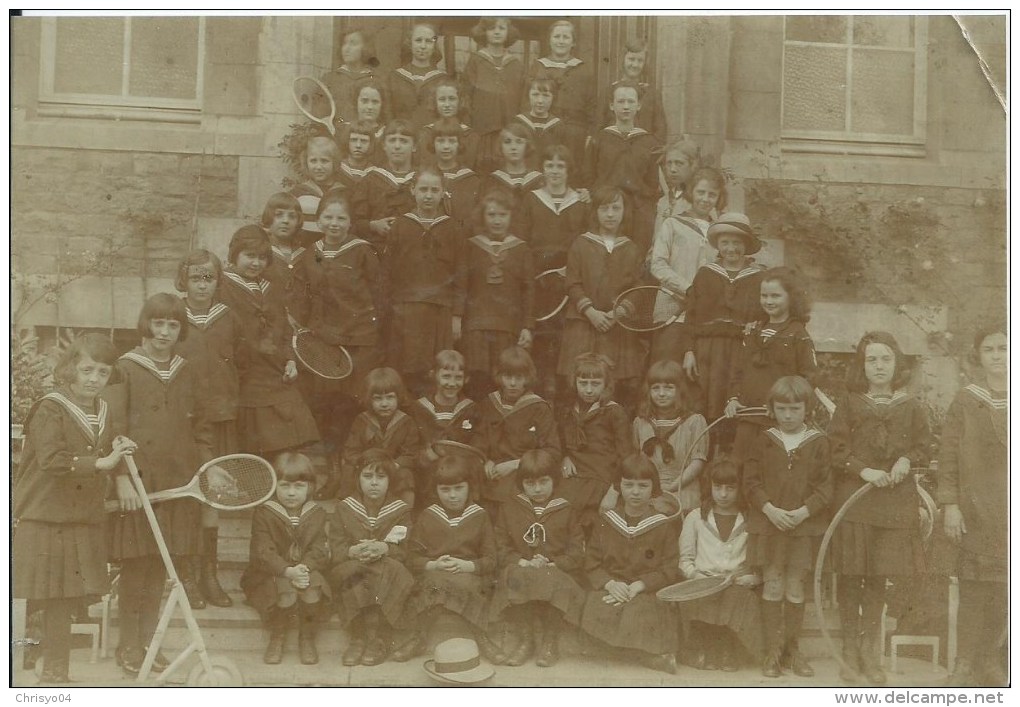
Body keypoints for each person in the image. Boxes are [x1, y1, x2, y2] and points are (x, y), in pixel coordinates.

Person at [13, 334, 137, 683]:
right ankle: (43, 670)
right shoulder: (50, 407)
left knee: (66, 600)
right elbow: (54, 461)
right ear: (69, 370)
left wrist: (119, 455)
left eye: (102, 371)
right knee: (49, 598)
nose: (93, 378)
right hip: (46, 516)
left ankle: (53, 673)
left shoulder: (103, 409)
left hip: (81, 518)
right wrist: (104, 463)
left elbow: (106, 446)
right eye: (86, 370)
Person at [107, 294, 214, 674]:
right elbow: (114, 427)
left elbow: (201, 427)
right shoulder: (125, 368)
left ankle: (150, 646)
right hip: (139, 482)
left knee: (161, 568)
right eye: (158, 323)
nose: (165, 332)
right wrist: (122, 478)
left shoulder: (188, 371)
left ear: (180, 330)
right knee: (137, 566)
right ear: (145, 325)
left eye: (172, 325)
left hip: (179, 486)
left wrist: (206, 469)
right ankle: (129, 647)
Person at [827, 331, 932, 685]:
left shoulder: (912, 405)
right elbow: (836, 450)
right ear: (862, 366)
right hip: (855, 502)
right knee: (851, 577)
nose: (879, 366)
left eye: (886, 358)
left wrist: (906, 459)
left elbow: (923, 446)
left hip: (892, 502)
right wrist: (864, 470)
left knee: (875, 579)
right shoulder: (850, 403)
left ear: (897, 363)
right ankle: (849, 655)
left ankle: (870, 654)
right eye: (871, 359)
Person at [742, 375, 832, 678]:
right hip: (770, 525)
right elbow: (750, 482)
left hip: (802, 528)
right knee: (773, 583)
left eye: (795, 408)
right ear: (772, 409)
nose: (789, 415)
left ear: (807, 408)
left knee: (795, 587)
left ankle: (793, 651)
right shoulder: (764, 440)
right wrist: (769, 509)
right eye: (782, 409)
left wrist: (804, 512)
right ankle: (772, 652)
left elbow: (825, 488)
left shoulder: (818, 442)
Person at [938, 323, 1008, 687]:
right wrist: (950, 504)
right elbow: (948, 455)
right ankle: (964, 663)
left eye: (1004, 348)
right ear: (979, 356)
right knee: (973, 587)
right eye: (990, 350)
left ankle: (989, 661)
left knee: (1004, 589)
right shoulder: (967, 399)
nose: (998, 357)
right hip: (975, 510)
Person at [173, 249, 243, 608]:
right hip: (182, 421)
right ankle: (187, 575)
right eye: (196, 277)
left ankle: (209, 574)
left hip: (218, 419)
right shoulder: (172, 317)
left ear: (219, 282)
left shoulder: (229, 317)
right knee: (188, 496)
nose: (202, 284)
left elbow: (245, 362)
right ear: (183, 279)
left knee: (211, 499)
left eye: (209, 277)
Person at [305, 192, 385, 499]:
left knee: (354, 411)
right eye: (328, 217)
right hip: (324, 347)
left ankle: (357, 481)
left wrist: (368, 336)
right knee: (327, 413)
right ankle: (334, 475)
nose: (334, 223)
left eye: (341, 218)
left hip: (360, 344)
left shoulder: (363, 252)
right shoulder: (310, 252)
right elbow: (303, 297)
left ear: (351, 222)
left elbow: (380, 299)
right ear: (319, 220)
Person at [218, 225, 319, 458]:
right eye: (249, 256)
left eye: (262, 258)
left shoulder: (271, 288)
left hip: (274, 371)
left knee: (284, 439)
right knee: (253, 443)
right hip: (244, 373)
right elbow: (197, 277)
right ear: (234, 255)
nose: (256, 263)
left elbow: (284, 330)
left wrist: (290, 360)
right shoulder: (222, 284)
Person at [394, 454, 504, 664]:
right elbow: (412, 558)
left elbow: (491, 559)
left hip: (470, 575)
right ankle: (419, 637)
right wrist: (433, 564)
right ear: (435, 490)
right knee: (434, 583)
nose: (452, 495)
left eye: (458, 488)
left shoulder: (479, 516)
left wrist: (468, 565)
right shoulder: (427, 516)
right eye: (445, 490)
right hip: (435, 576)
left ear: (469, 487)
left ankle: (481, 636)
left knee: (471, 586)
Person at [581, 453, 681, 675]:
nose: (635, 492)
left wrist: (639, 585)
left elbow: (669, 568)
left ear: (653, 489)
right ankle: (644, 657)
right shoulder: (606, 521)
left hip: (645, 590)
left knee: (643, 611)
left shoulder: (663, 525)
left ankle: (623, 653)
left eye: (643, 486)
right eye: (628, 485)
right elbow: (592, 562)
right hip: (612, 588)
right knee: (596, 606)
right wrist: (609, 584)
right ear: (619, 487)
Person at [491, 449, 585, 668]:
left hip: (555, 570)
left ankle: (549, 641)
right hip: (522, 568)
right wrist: (523, 561)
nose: (537, 489)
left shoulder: (567, 509)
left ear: (555, 479)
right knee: (515, 575)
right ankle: (527, 640)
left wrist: (554, 563)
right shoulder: (510, 507)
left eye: (544, 481)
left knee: (555, 580)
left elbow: (576, 551)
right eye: (530, 483)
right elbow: (500, 545)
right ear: (521, 483)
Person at [557, 186, 645, 407]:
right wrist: (591, 312)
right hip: (584, 324)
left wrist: (618, 313)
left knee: (612, 384)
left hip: (616, 327)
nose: (610, 214)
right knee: (579, 381)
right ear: (595, 211)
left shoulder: (631, 249)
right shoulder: (581, 244)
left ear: (625, 211)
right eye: (604, 208)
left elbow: (638, 286)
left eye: (616, 208)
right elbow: (572, 282)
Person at [516, 144, 590, 400]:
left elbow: (585, 244)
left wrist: (570, 271)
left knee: (564, 349)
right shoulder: (531, 200)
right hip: (538, 286)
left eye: (561, 166)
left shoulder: (580, 203)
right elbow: (522, 243)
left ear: (569, 170)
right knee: (537, 349)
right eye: (550, 165)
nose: (555, 171)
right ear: (542, 169)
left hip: (568, 286)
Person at [241, 452, 329, 666]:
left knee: (313, 586)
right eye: (284, 486)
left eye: (298, 486)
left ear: (310, 487)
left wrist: (304, 569)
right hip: (271, 572)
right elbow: (263, 551)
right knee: (286, 590)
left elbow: (319, 549)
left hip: (304, 570)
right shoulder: (264, 512)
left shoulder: (317, 513)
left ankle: (307, 638)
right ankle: (277, 636)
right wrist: (288, 571)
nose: (291, 493)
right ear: (274, 486)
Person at [329, 449, 415, 667]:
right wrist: (352, 551)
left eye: (381, 477)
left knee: (392, 569)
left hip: (386, 568)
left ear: (390, 480)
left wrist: (384, 547)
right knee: (350, 572)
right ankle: (357, 637)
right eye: (367, 477)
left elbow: (405, 549)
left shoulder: (401, 510)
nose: (374, 483)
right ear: (357, 479)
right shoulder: (344, 508)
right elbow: (336, 547)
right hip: (354, 566)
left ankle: (379, 638)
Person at [382, 167, 464, 393]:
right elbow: (388, 272)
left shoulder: (453, 229)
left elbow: (461, 275)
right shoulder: (400, 226)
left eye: (434, 190)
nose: (428, 195)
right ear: (413, 190)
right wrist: (391, 308)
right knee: (405, 369)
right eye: (423, 189)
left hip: (440, 312)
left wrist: (457, 315)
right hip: (406, 311)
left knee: (436, 369)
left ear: (443, 193)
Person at [725, 267, 818, 464]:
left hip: (779, 420)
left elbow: (808, 379)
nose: (768, 301)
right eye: (764, 295)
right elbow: (738, 370)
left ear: (791, 298)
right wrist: (733, 399)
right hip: (748, 416)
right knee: (741, 467)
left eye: (776, 296)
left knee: (770, 468)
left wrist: (784, 405)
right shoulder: (752, 332)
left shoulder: (798, 335)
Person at [678, 458, 762, 671]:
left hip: (736, 582)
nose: (723, 494)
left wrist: (752, 577)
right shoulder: (696, 517)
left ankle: (728, 650)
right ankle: (709, 650)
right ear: (710, 487)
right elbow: (685, 559)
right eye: (718, 487)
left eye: (730, 488)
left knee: (738, 598)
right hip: (704, 581)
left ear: (740, 489)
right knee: (703, 599)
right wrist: (695, 575)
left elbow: (758, 561)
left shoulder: (750, 519)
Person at [682, 213, 766, 428]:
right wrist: (689, 351)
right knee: (705, 400)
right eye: (725, 242)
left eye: (737, 243)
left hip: (741, 349)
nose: (731, 249)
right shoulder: (706, 274)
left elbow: (763, 316)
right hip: (707, 350)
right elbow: (691, 315)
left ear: (746, 245)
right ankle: (705, 452)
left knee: (735, 398)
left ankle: (729, 453)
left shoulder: (757, 278)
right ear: (718, 245)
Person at [648, 166, 727, 367]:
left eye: (712, 194)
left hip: (705, 315)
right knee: (666, 369)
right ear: (691, 191)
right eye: (701, 192)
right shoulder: (673, 224)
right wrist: (687, 289)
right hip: (673, 310)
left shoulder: (720, 233)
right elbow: (657, 264)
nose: (705, 199)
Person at [462, 188, 535, 400]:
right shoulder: (471, 246)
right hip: (476, 326)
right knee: (477, 378)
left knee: (504, 375)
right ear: (483, 216)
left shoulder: (522, 249)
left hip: (507, 326)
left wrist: (527, 326)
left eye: (502, 215)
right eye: (491, 214)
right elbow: (462, 286)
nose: (497, 220)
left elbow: (528, 290)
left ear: (511, 216)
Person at [472, 346, 561, 510]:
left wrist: (515, 464)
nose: (512, 383)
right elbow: (479, 440)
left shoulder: (539, 407)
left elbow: (552, 452)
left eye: (519, 377)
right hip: (492, 472)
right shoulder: (488, 404)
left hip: (524, 472)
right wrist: (485, 461)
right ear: (499, 376)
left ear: (528, 378)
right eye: (508, 376)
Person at [559, 352, 633, 537]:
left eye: (595, 384)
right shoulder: (568, 410)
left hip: (602, 479)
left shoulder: (613, 412)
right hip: (574, 477)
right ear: (574, 383)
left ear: (606, 385)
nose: (589, 390)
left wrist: (614, 491)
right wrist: (565, 457)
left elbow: (626, 457)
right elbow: (559, 440)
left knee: (593, 520)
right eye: (583, 384)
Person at [586, 79, 662, 254]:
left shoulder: (648, 141)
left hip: (637, 210)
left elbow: (652, 183)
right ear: (611, 106)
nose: (626, 106)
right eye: (620, 101)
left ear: (639, 105)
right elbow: (588, 175)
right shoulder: (600, 139)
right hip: (606, 208)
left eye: (631, 101)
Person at [631, 359, 708, 515]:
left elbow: (697, 462)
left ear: (680, 390)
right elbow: (637, 460)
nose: (661, 394)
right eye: (655, 388)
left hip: (683, 491)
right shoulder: (641, 422)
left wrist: (672, 487)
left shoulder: (694, 422)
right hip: (650, 492)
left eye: (668, 388)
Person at [338, 367, 420, 507]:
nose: (384, 404)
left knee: (406, 475)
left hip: (394, 468)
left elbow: (411, 453)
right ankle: (350, 511)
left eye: (390, 397)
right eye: (378, 399)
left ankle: (404, 516)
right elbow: (351, 451)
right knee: (349, 471)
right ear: (369, 400)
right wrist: (366, 464)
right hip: (367, 467)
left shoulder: (407, 422)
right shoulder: (362, 421)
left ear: (398, 397)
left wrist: (395, 464)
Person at [409, 350, 481, 505]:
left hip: (461, 474)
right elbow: (413, 447)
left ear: (466, 379)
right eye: (446, 376)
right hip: (430, 473)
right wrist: (427, 455)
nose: (452, 383)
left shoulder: (470, 409)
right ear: (434, 375)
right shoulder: (420, 408)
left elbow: (476, 445)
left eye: (458, 378)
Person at [463, 18, 524, 173]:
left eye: (501, 28)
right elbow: (466, 94)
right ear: (484, 32)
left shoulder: (516, 64)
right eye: (491, 28)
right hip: (483, 130)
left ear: (508, 32)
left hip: (509, 131)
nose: (497, 32)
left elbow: (523, 96)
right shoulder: (476, 60)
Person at [522, 20, 595, 148]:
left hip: (575, 132)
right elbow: (526, 101)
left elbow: (592, 105)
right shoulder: (538, 67)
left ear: (573, 42)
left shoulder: (583, 70)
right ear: (549, 40)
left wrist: (591, 133)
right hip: (544, 129)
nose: (561, 41)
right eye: (556, 36)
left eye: (566, 37)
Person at [351, 119, 418, 252]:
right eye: (392, 140)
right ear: (384, 145)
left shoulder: (420, 179)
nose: (397, 146)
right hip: (377, 251)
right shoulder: (370, 180)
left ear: (414, 146)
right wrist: (373, 225)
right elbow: (356, 221)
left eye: (404, 141)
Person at [260, 191, 317, 329]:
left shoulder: (306, 254)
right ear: (269, 218)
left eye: (292, 216)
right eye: (279, 215)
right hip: (268, 325)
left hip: (300, 326)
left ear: (298, 222)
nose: (285, 221)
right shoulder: (260, 253)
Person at [511, 74, 583, 171]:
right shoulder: (519, 122)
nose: (540, 101)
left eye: (546, 96)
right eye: (535, 95)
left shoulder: (558, 125)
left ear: (554, 98)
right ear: (528, 95)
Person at [482, 122, 544, 228]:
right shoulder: (492, 181)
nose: (513, 147)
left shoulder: (539, 181)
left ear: (527, 146)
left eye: (519, 142)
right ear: (500, 147)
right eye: (507, 142)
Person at [388, 22, 448, 130]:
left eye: (428, 41)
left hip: (433, 137)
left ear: (434, 46)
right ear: (410, 43)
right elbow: (388, 113)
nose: (423, 46)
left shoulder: (442, 79)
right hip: (401, 137)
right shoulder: (395, 77)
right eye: (418, 40)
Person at [606, 38, 667, 141]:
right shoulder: (610, 91)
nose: (635, 65)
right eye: (631, 59)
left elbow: (661, 130)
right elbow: (600, 127)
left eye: (640, 60)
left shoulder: (652, 94)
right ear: (623, 59)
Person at [289, 136, 345, 247]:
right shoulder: (297, 193)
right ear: (306, 163)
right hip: (303, 250)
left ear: (335, 163)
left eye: (324, 161)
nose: (318, 167)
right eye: (313, 161)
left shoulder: (344, 193)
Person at [425, 121, 481, 233]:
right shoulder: (425, 176)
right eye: (440, 141)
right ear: (433, 144)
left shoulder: (470, 179)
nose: (446, 146)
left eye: (451, 141)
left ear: (459, 144)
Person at [419, 77, 481, 173]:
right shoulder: (426, 133)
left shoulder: (470, 135)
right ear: (435, 102)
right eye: (442, 99)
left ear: (460, 101)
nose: (447, 104)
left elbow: (469, 166)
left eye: (452, 99)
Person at [320, 27, 380, 125]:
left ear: (365, 48)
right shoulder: (329, 79)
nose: (347, 48)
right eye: (344, 43)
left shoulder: (377, 80)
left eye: (353, 43)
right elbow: (319, 114)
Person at [653, 137, 700, 234]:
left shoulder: (700, 200)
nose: (672, 169)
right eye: (669, 163)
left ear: (693, 166)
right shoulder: (664, 200)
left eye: (679, 163)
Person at [337, 119, 378, 190]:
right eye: (353, 140)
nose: (358, 145)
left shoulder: (375, 173)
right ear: (347, 141)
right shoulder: (338, 169)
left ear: (371, 144)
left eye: (364, 141)